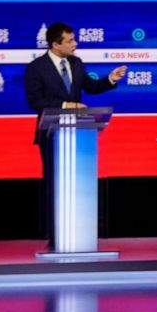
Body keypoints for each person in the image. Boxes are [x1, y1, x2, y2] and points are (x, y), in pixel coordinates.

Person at [25, 22, 127, 246]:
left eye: (74, 39)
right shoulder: (36, 67)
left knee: (79, 183)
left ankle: (80, 235)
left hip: (77, 134)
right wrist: (66, 105)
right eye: (70, 40)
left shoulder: (76, 63)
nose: (75, 44)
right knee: (54, 183)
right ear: (55, 44)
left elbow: (90, 87)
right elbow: (35, 101)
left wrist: (110, 79)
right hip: (51, 135)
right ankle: (55, 237)